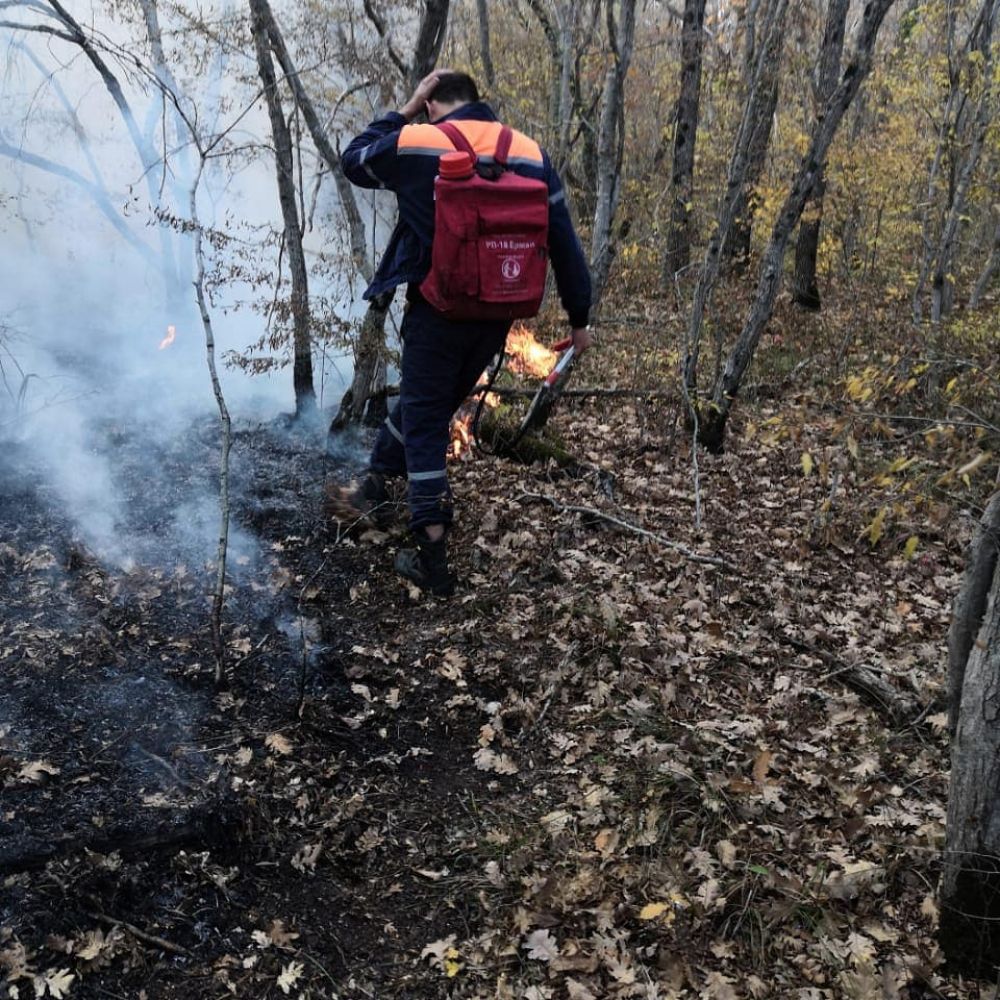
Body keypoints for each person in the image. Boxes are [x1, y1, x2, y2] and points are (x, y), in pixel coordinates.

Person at [337, 70, 592, 596]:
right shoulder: (529, 152)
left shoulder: (419, 141)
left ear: (434, 104)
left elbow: (354, 159)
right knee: (428, 404)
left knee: (427, 421)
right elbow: (564, 241)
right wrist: (579, 318)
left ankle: (431, 556)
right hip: (496, 316)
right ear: (480, 101)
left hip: (437, 311)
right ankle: (377, 478)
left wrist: (404, 110)